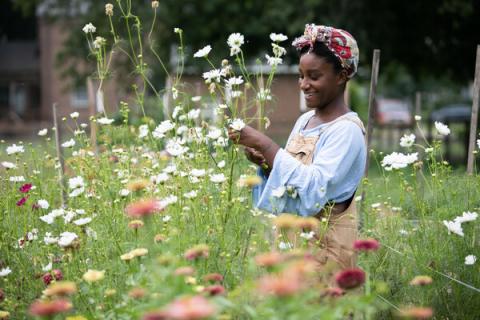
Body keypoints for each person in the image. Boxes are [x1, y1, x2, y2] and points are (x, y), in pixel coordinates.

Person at [228, 24, 366, 272]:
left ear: (342, 76)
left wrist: (265, 144)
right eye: (301, 76)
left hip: (325, 254)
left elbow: (314, 189)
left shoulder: (347, 130)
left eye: (314, 76)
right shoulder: (306, 121)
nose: (304, 85)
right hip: (292, 245)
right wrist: (267, 164)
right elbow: (292, 185)